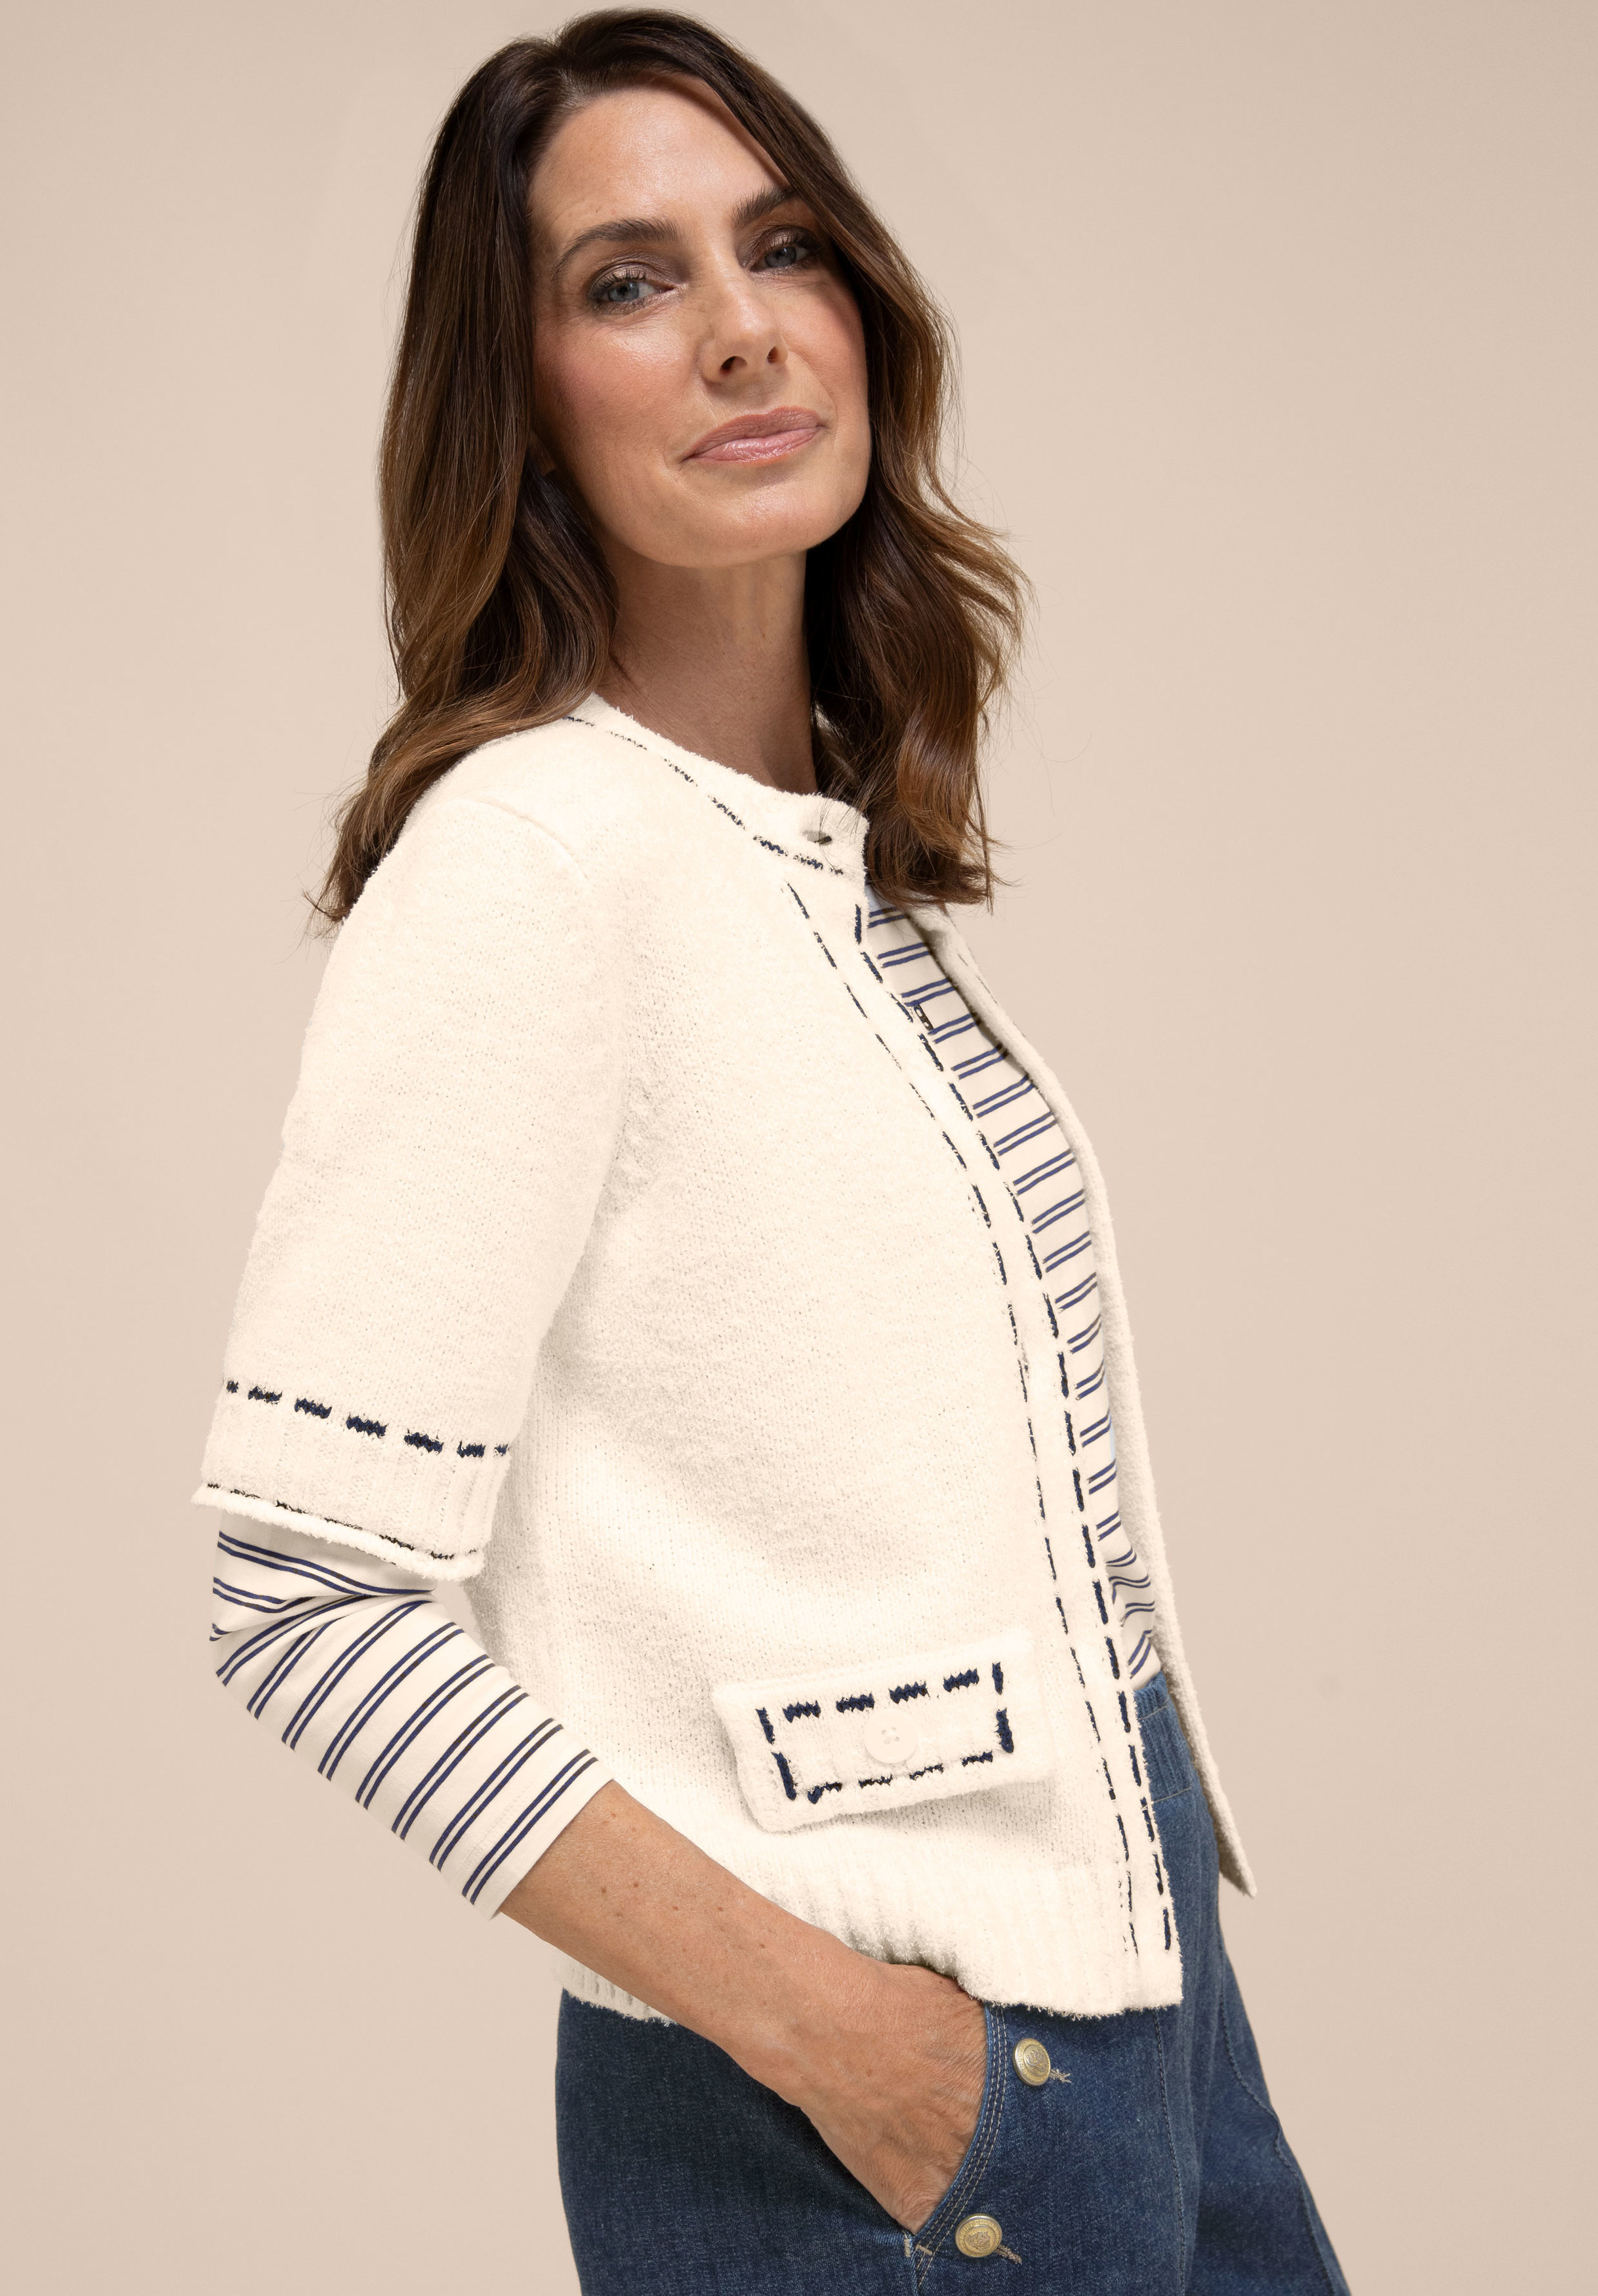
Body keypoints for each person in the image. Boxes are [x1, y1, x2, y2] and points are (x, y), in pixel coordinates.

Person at [199, 13, 1349, 2290]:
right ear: (522, 394)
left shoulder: (810, 868)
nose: (737, 327)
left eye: (783, 245)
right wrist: (851, 2045)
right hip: (889, 2106)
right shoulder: (540, 856)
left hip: (1132, 2003)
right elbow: (300, 1595)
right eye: (628, 282)